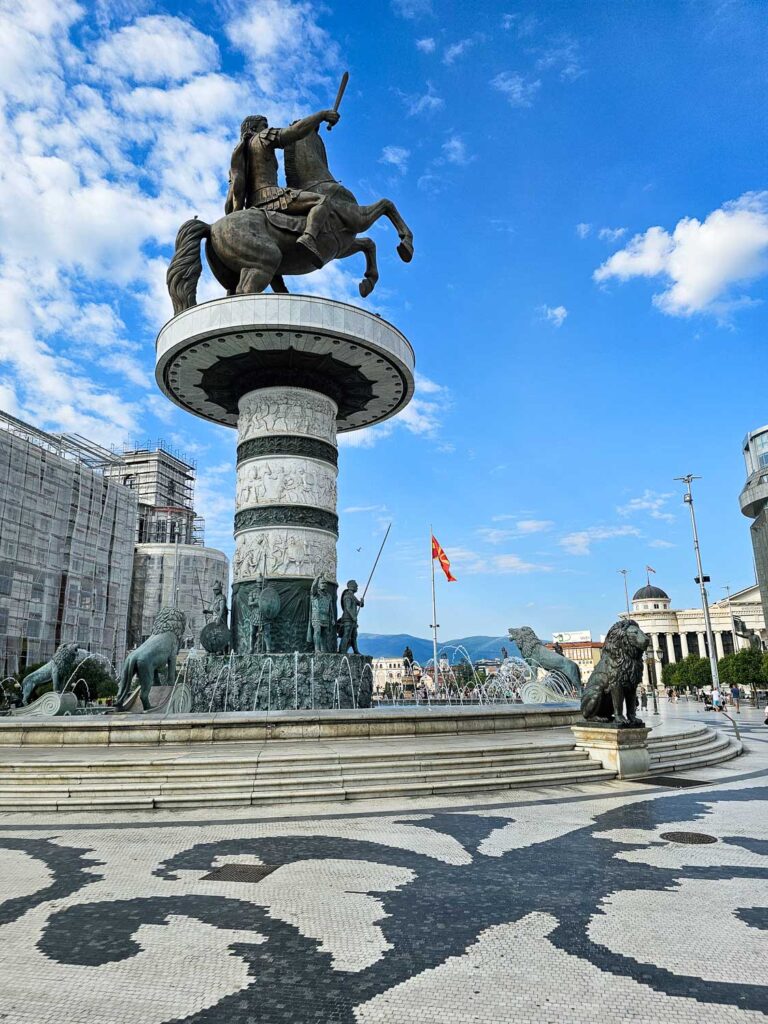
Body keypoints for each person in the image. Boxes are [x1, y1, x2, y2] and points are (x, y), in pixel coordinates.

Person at [225, 108, 341, 267]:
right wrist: (321, 116)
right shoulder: (262, 137)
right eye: (263, 125)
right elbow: (295, 132)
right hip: (270, 196)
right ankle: (309, 237)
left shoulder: (241, 151)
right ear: (253, 129)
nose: (266, 128)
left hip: (252, 203)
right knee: (322, 201)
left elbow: (236, 188)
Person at [338, 579, 364, 655]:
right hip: (347, 619)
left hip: (353, 619)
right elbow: (348, 608)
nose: (357, 587)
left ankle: (355, 650)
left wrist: (362, 602)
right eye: (356, 586)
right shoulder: (347, 596)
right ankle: (342, 650)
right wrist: (353, 617)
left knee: (354, 635)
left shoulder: (353, 596)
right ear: (351, 586)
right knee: (346, 635)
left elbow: (360, 604)